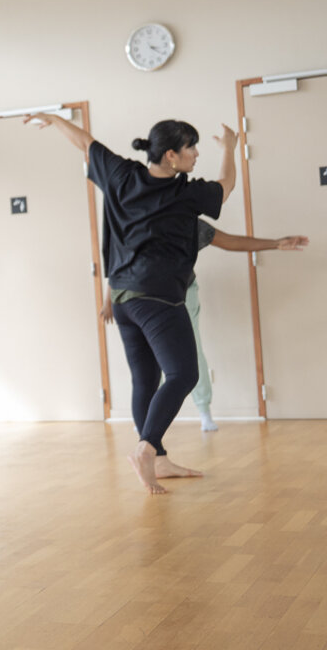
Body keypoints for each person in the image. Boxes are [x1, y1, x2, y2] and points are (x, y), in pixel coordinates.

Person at [29, 112, 237, 494]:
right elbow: (226, 186)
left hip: (124, 298)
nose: (196, 154)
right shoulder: (185, 193)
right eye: (191, 147)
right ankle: (146, 449)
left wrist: (55, 119)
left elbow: (84, 142)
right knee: (183, 374)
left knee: (145, 379)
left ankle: (159, 460)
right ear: (171, 155)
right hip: (158, 297)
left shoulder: (122, 175)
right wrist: (230, 148)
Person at [101, 225, 309, 430]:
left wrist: (275, 244)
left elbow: (229, 241)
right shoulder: (132, 219)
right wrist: (107, 300)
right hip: (134, 297)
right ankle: (147, 430)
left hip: (179, 293)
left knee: (188, 359)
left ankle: (201, 411)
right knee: (147, 373)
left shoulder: (186, 221)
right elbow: (118, 262)